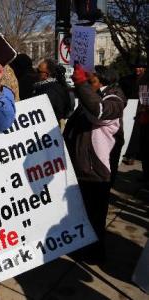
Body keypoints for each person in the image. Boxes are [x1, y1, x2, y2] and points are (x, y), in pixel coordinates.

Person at [64, 64, 126, 263]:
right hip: (82, 167)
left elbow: (99, 111)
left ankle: (95, 254)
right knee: (82, 212)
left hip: (98, 170)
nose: (89, 84)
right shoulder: (91, 97)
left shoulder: (115, 100)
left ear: (104, 81)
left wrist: (81, 83)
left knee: (95, 215)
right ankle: (82, 248)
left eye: (92, 80)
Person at [33, 58, 72, 126]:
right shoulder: (57, 86)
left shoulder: (47, 90)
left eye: (38, 71)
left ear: (46, 74)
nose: (36, 73)